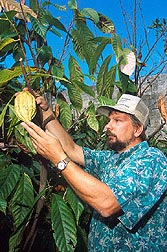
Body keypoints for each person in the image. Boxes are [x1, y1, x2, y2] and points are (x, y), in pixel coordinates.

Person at [21, 93, 167, 251]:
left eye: (117, 120)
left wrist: (58, 159)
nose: (108, 126)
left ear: (138, 129)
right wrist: (47, 113)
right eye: (109, 119)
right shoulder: (111, 159)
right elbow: (72, 150)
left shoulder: (152, 159)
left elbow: (107, 204)